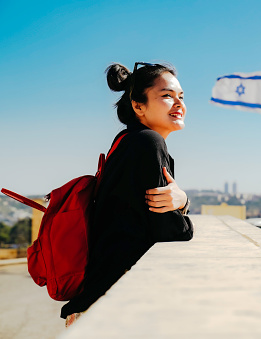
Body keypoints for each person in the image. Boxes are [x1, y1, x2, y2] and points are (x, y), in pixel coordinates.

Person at [61, 62, 193, 325]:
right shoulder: (147, 143)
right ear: (138, 106)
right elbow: (173, 231)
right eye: (167, 95)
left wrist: (182, 200)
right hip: (111, 302)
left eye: (181, 96)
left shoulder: (128, 140)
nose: (178, 103)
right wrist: (185, 207)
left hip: (101, 293)